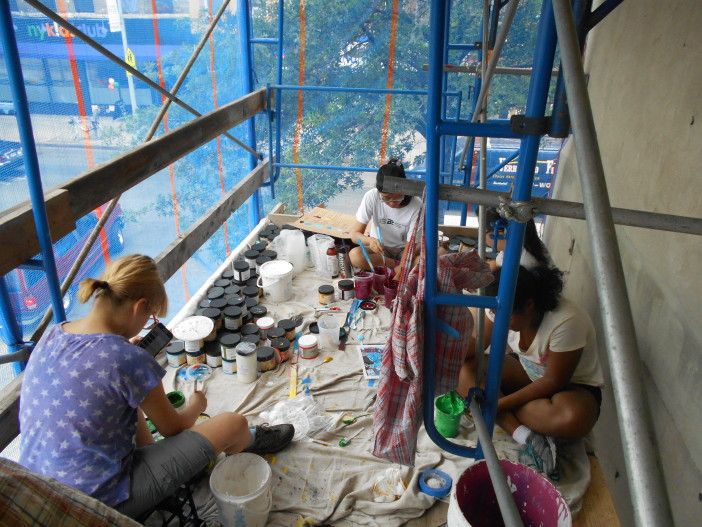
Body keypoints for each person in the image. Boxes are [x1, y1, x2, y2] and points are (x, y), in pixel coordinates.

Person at [18, 255, 294, 519]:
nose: (148, 323)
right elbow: (173, 428)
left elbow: (94, 373)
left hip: (41, 491)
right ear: (139, 307)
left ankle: (163, 463)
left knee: (129, 402)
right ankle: (251, 440)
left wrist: (125, 353)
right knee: (232, 423)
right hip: (96, 503)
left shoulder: (54, 334)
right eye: (150, 316)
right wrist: (197, 403)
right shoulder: (125, 359)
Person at [458, 265, 604, 476]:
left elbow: (554, 382)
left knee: (572, 417)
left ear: (528, 305)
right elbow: (478, 345)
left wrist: (498, 404)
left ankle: (499, 405)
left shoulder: (567, 321)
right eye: (494, 313)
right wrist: (445, 351)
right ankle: (524, 435)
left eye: (506, 317)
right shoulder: (502, 307)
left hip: (571, 389)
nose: (498, 320)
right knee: (466, 370)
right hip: (528, 372)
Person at [349, 158, 422, 274]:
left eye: (398, 197)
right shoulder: (371, 196)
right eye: (386, 198)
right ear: (379, 192)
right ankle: (397, 268)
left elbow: (411, 245)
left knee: (424, 263)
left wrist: (403, 266)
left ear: (405, 190)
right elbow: (354, 234)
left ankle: (396, 269)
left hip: (404, 250)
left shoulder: (417, 204)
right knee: (355, 256)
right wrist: (369, 241)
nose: (392, 202)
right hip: (381, 250)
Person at [485, 208, 551, 271]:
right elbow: (497, 262)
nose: (484, 239)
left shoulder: (522, 262)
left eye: (485, 232)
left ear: (499, 232)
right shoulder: (518, 245)